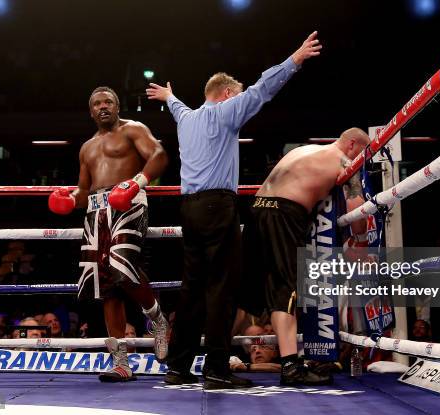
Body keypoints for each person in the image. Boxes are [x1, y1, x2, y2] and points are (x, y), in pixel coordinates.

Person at [146, 31, 322, 390]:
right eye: (236, 96)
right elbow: (262, 89)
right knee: (221, 289)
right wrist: (295, 59)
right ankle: (215, 369)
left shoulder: (188, 118)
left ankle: (178, 367)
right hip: (216, 207)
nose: (240, 101)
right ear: (226, 94)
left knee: (192, 290)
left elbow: (178, 106)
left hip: (189, 209)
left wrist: (169, 95)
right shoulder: (226, 112)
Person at [48, 86, 169, 382]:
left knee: (122, 265)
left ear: (117, 106)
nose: (103, 106)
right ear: (91, 111)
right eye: (98, 103)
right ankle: (121, 363)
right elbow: (84, 189)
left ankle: (158, 320)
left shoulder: (133, 129)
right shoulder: (87, 147)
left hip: (128, 201)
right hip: (95, 211)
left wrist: (136, 183)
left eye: (108, 102)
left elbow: (159, 155)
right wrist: (69, 198)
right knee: (105, 287)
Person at [240, 127, 371, 385]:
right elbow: (358, 208)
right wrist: (361, 241)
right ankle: (290, 367)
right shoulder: (344, 161)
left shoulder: (304, 150)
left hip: (257, 209)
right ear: (353, 145)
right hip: (283, 214)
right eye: (364, 154)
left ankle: (216, 360)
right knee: (286, 291)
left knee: (246, 290)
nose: (363, 161)